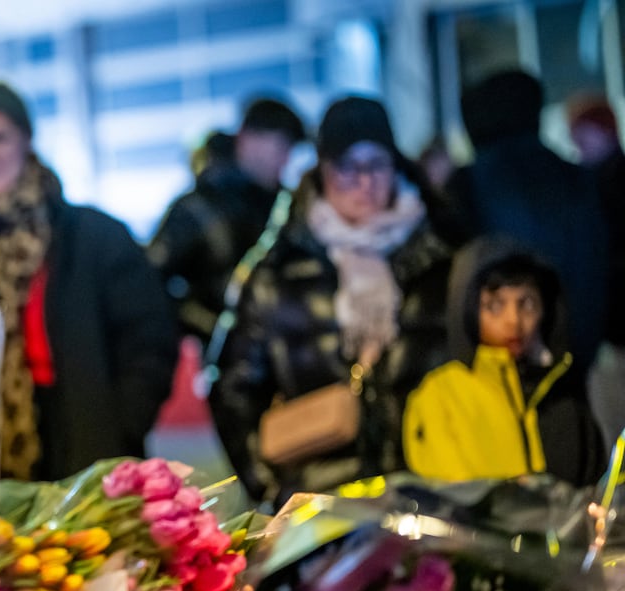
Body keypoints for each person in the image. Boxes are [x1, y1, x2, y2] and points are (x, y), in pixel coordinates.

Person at [0, 81, 178, 482]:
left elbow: (148, 337)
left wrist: (123, 423)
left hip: (86, 426)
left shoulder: (90, 234)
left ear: (25, 139)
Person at [209, 96, 466, 507]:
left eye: (376, 165)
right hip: (321, 501)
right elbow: (233, 389)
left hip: (434, 489)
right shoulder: (278, 271)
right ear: (323, 170)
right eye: (348, 166)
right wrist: (269, 484)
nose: (364, 183)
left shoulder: (444, 258)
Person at [444, 69, 609, 377]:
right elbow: (596, 266)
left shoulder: (469, 184)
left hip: (500, 365)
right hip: (580, 354)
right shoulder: (577, 178)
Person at [403, 242, 604, 484]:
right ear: (467, 312)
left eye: (527, 304)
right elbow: (446, 493)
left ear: (547, 310)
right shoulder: (439, 396)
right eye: (494, 306)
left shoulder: (564, 391)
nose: (514, 321)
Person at [147, 98, 306, 348]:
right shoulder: (196, 209)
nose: (284, 161)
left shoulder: (282, 204)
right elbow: (150, 280)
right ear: (247, 138)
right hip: (215, 359)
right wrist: (211, 327)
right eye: (280, 148)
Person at [566, 93, 625, 447]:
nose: (579, 146)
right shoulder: (592, 180)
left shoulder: (602, 183)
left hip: (612, 322)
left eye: (584, 136)